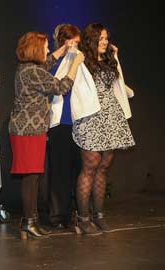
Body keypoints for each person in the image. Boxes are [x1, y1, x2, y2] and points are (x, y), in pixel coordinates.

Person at [9, 31, 84, 239]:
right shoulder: (32, 72)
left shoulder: (29, 68)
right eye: (44, 47)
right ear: (35, 49)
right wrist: (75, 63)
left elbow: (48, 62)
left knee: (33, 176)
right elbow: (61, 87)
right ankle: (29, 222)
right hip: (28, 131)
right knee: (31, 178)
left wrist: (65, 49)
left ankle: (29, 221)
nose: (48, 50)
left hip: (29, 130)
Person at [73, 23, 135, 235]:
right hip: (90, 115)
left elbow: (118, 84)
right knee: (90, 165)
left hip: (110, 116)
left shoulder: (109, 60)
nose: (105, 42)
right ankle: (82, 218)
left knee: (104, 166)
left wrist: (115, 56)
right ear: (90, 40)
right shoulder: (82, 60)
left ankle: (99, 215)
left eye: (106, 38)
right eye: (100, 39)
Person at [47, 24, 82, 229]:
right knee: (60, 170)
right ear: (62, 41)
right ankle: (58, 215)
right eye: (71, 42)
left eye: (77, 42)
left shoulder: (81, 60)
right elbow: (58, 88)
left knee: (78, 169)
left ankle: (77, 212)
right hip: (59, 123)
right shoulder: (53, 62)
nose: (74, 46)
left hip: (79, 122)